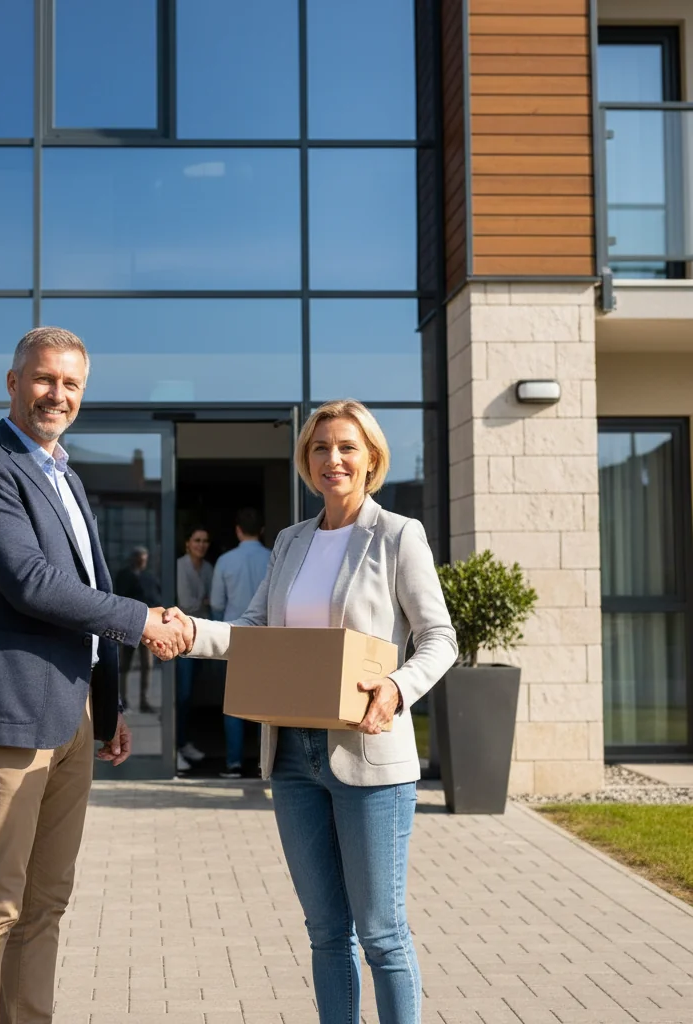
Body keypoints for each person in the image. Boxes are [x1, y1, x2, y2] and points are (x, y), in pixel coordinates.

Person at [165, 399, 458, 1024]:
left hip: (369, 755)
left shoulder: (399, 535)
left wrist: (399, 689)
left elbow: (439, 638)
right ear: (307, 460)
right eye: (321, 448)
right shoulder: (291, 542)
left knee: (381, 932)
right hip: (294, 757)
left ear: (371, 457)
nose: (334, 459)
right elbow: (254, 630)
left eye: (347, 447)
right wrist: (188, 630)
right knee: (326, 931)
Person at [0, 326, 189, 1024]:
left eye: (71, 384)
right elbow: (32, 583)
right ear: (13, 383)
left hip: (71, 717)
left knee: (47, 902)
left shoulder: (65, 475)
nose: (58, 394)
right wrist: (143, 619)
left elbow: (82, 594)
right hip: (10, 715)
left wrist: (105, 712)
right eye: (45, 379)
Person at [210, 507, 271, 777]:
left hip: (232, 637)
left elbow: (216, 604)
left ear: (237, 530)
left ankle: (233, 763)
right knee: (265, 705)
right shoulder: (273, 558)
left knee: (234, 703)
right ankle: (264, 763)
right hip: (269, 639)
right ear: (262, 530)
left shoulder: (225, 561)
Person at [174, 525, 213, 771]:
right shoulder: (179, 566)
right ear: (188, 543)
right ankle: (174, 747)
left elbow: (203, 605)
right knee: (182, 695)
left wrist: (202, 604)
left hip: (199, 639)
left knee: (190, 696)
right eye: (197, 540)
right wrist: (204, 602)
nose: (201, 544)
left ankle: (184, 742)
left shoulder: (208, 568)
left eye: (205, 540)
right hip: (179, 639)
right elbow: (187, 603)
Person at [114, 546, 161, 713]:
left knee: (147, 665)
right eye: (140, 558)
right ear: (133, 559)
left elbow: (156, 597)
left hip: (147, 626)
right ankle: (123, 699)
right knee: (124, 665)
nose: (143, 562)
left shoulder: (149, 577)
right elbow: (119, 597)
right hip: (129, 624)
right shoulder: (124, 575)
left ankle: (144, 700)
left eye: (145, 559)